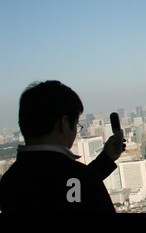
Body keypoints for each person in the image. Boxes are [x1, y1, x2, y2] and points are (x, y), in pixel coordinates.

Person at [0, 80, 126, 213]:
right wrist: (91, 177)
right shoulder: (81, 178)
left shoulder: (10, 180)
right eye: (77, 124)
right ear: (64, 123)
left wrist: (106, 159)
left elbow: (56, 187)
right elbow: (68, 185)